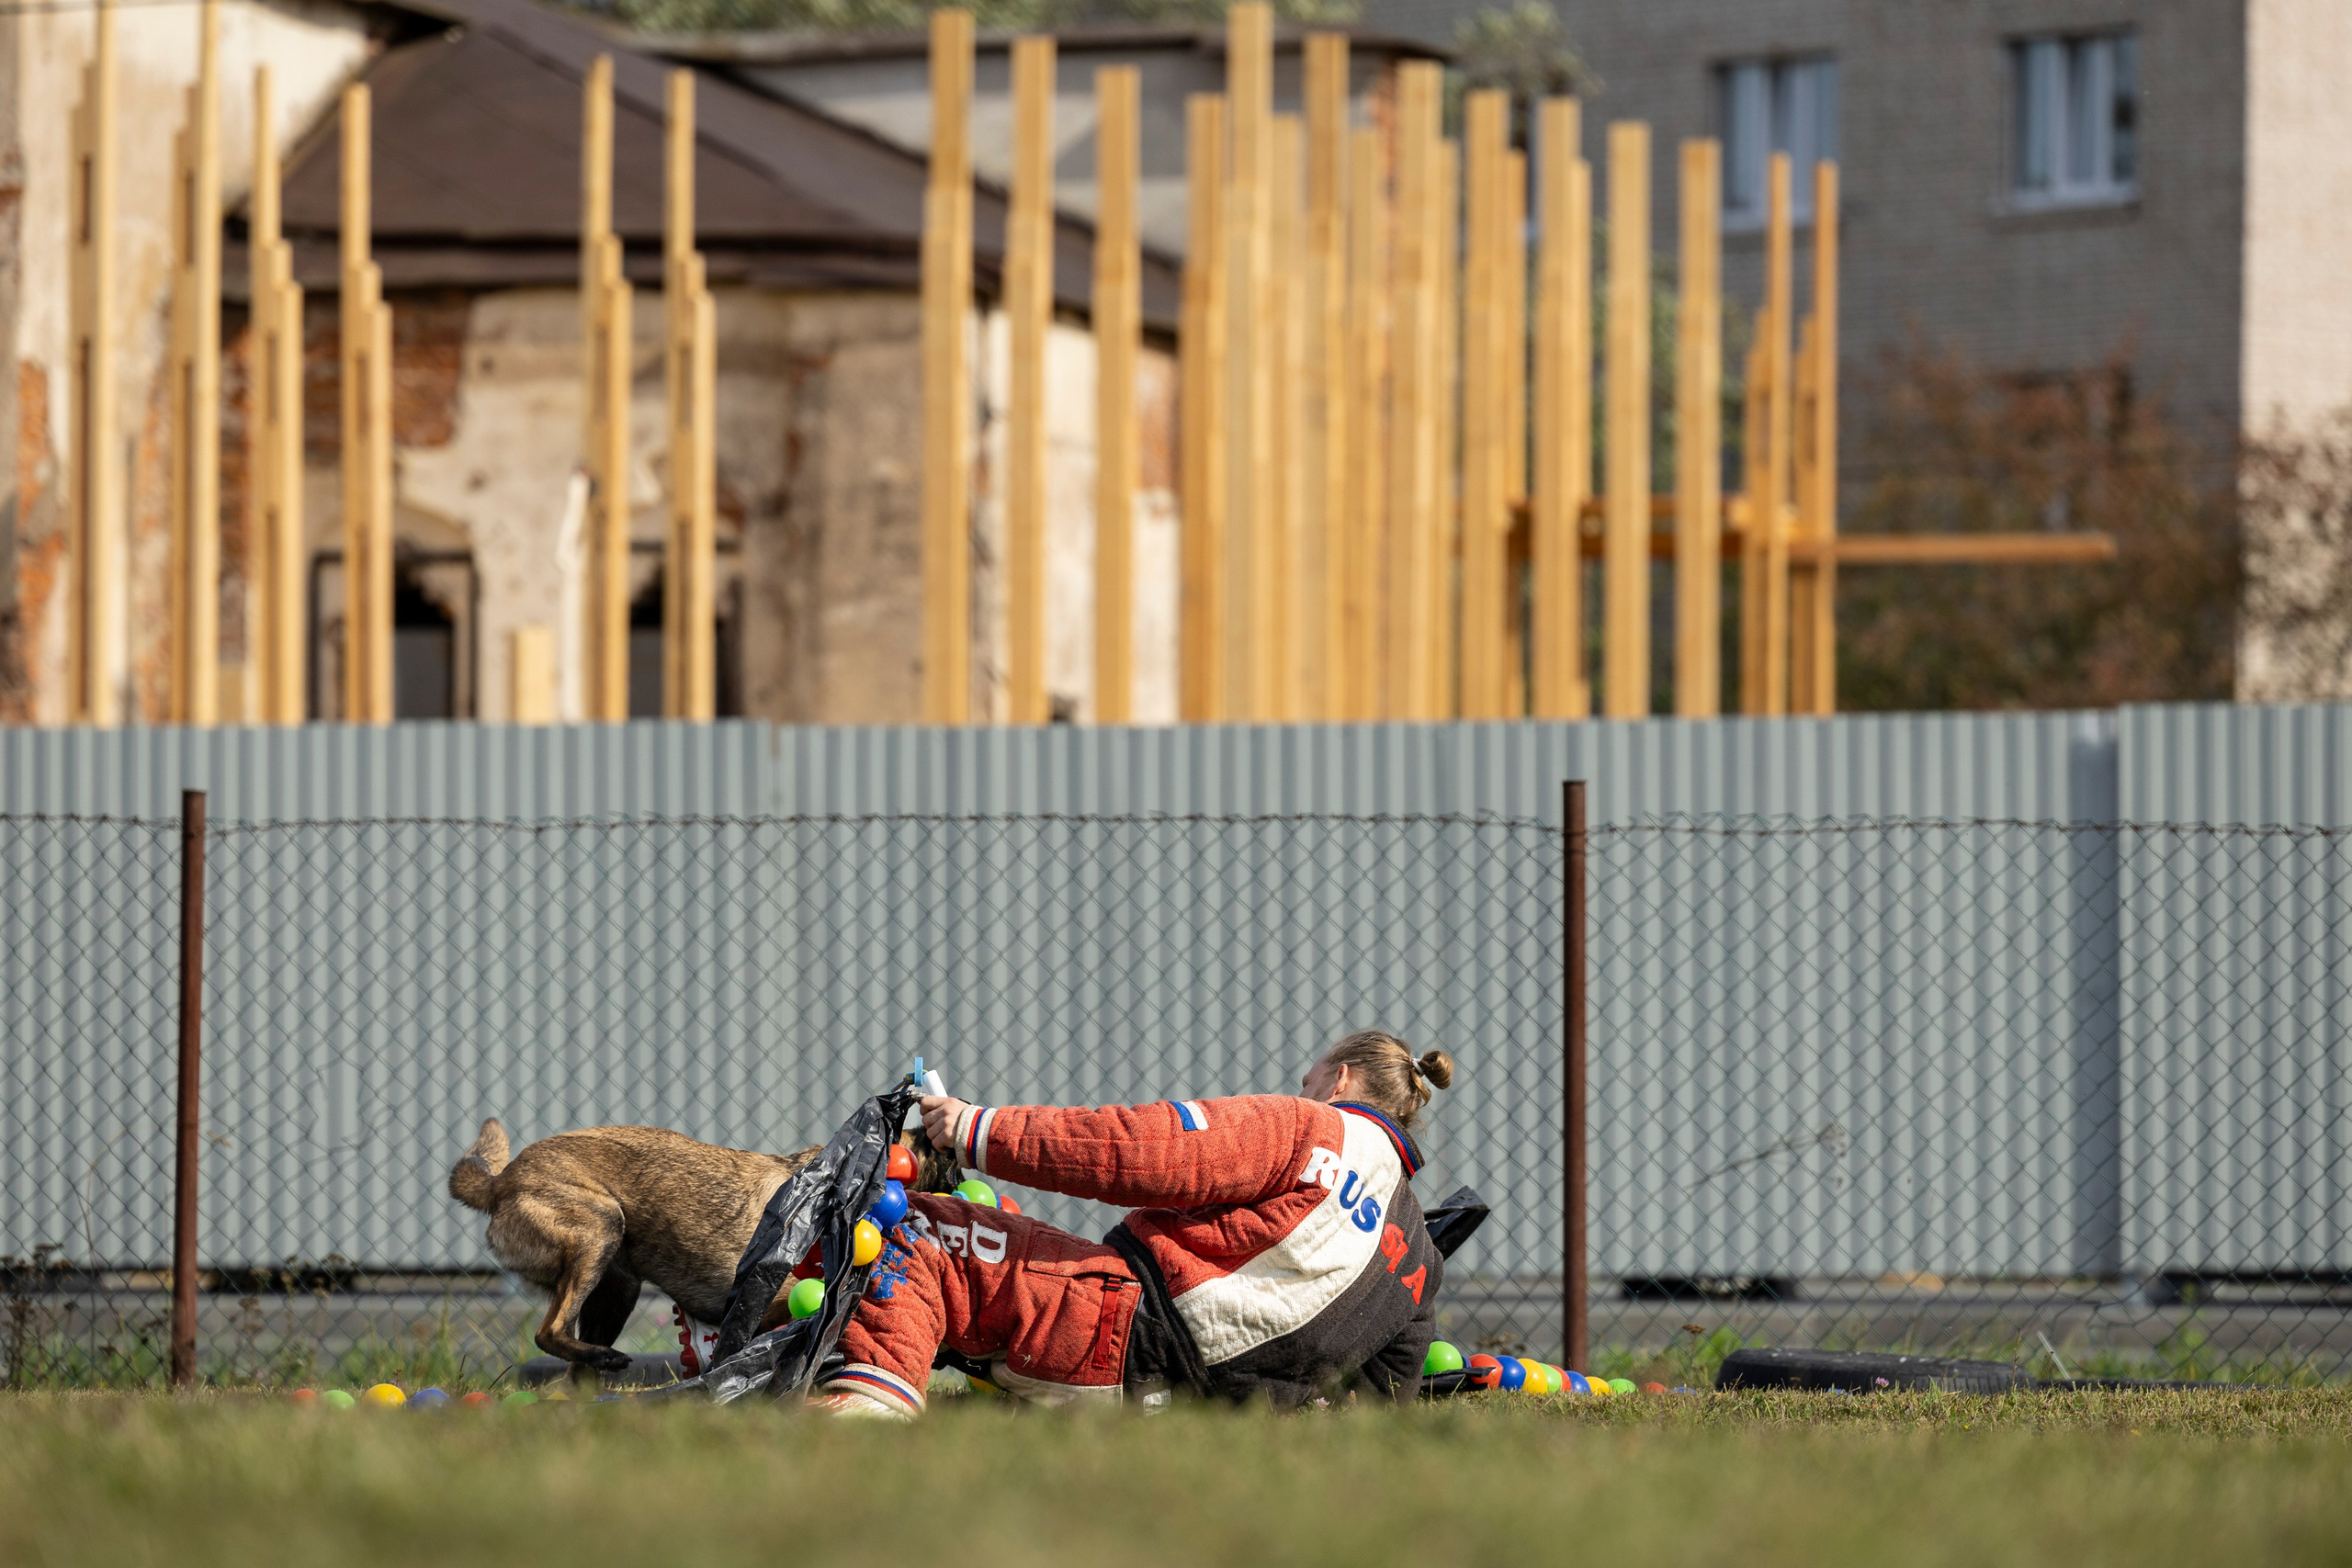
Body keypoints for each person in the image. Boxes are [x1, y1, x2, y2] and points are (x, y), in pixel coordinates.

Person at [808, 1030, 1456, 1417]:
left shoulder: (1312, 1125)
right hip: (1207, 1415)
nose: (1302, 1085)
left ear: (1339, 1079)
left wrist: (980, 1129)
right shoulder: (1421, 1261)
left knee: (915, 1228)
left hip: (1117, 1330)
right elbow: (1376, 1410)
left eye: (1308, 1077)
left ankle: (867, 1415)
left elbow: (1142, 1149)